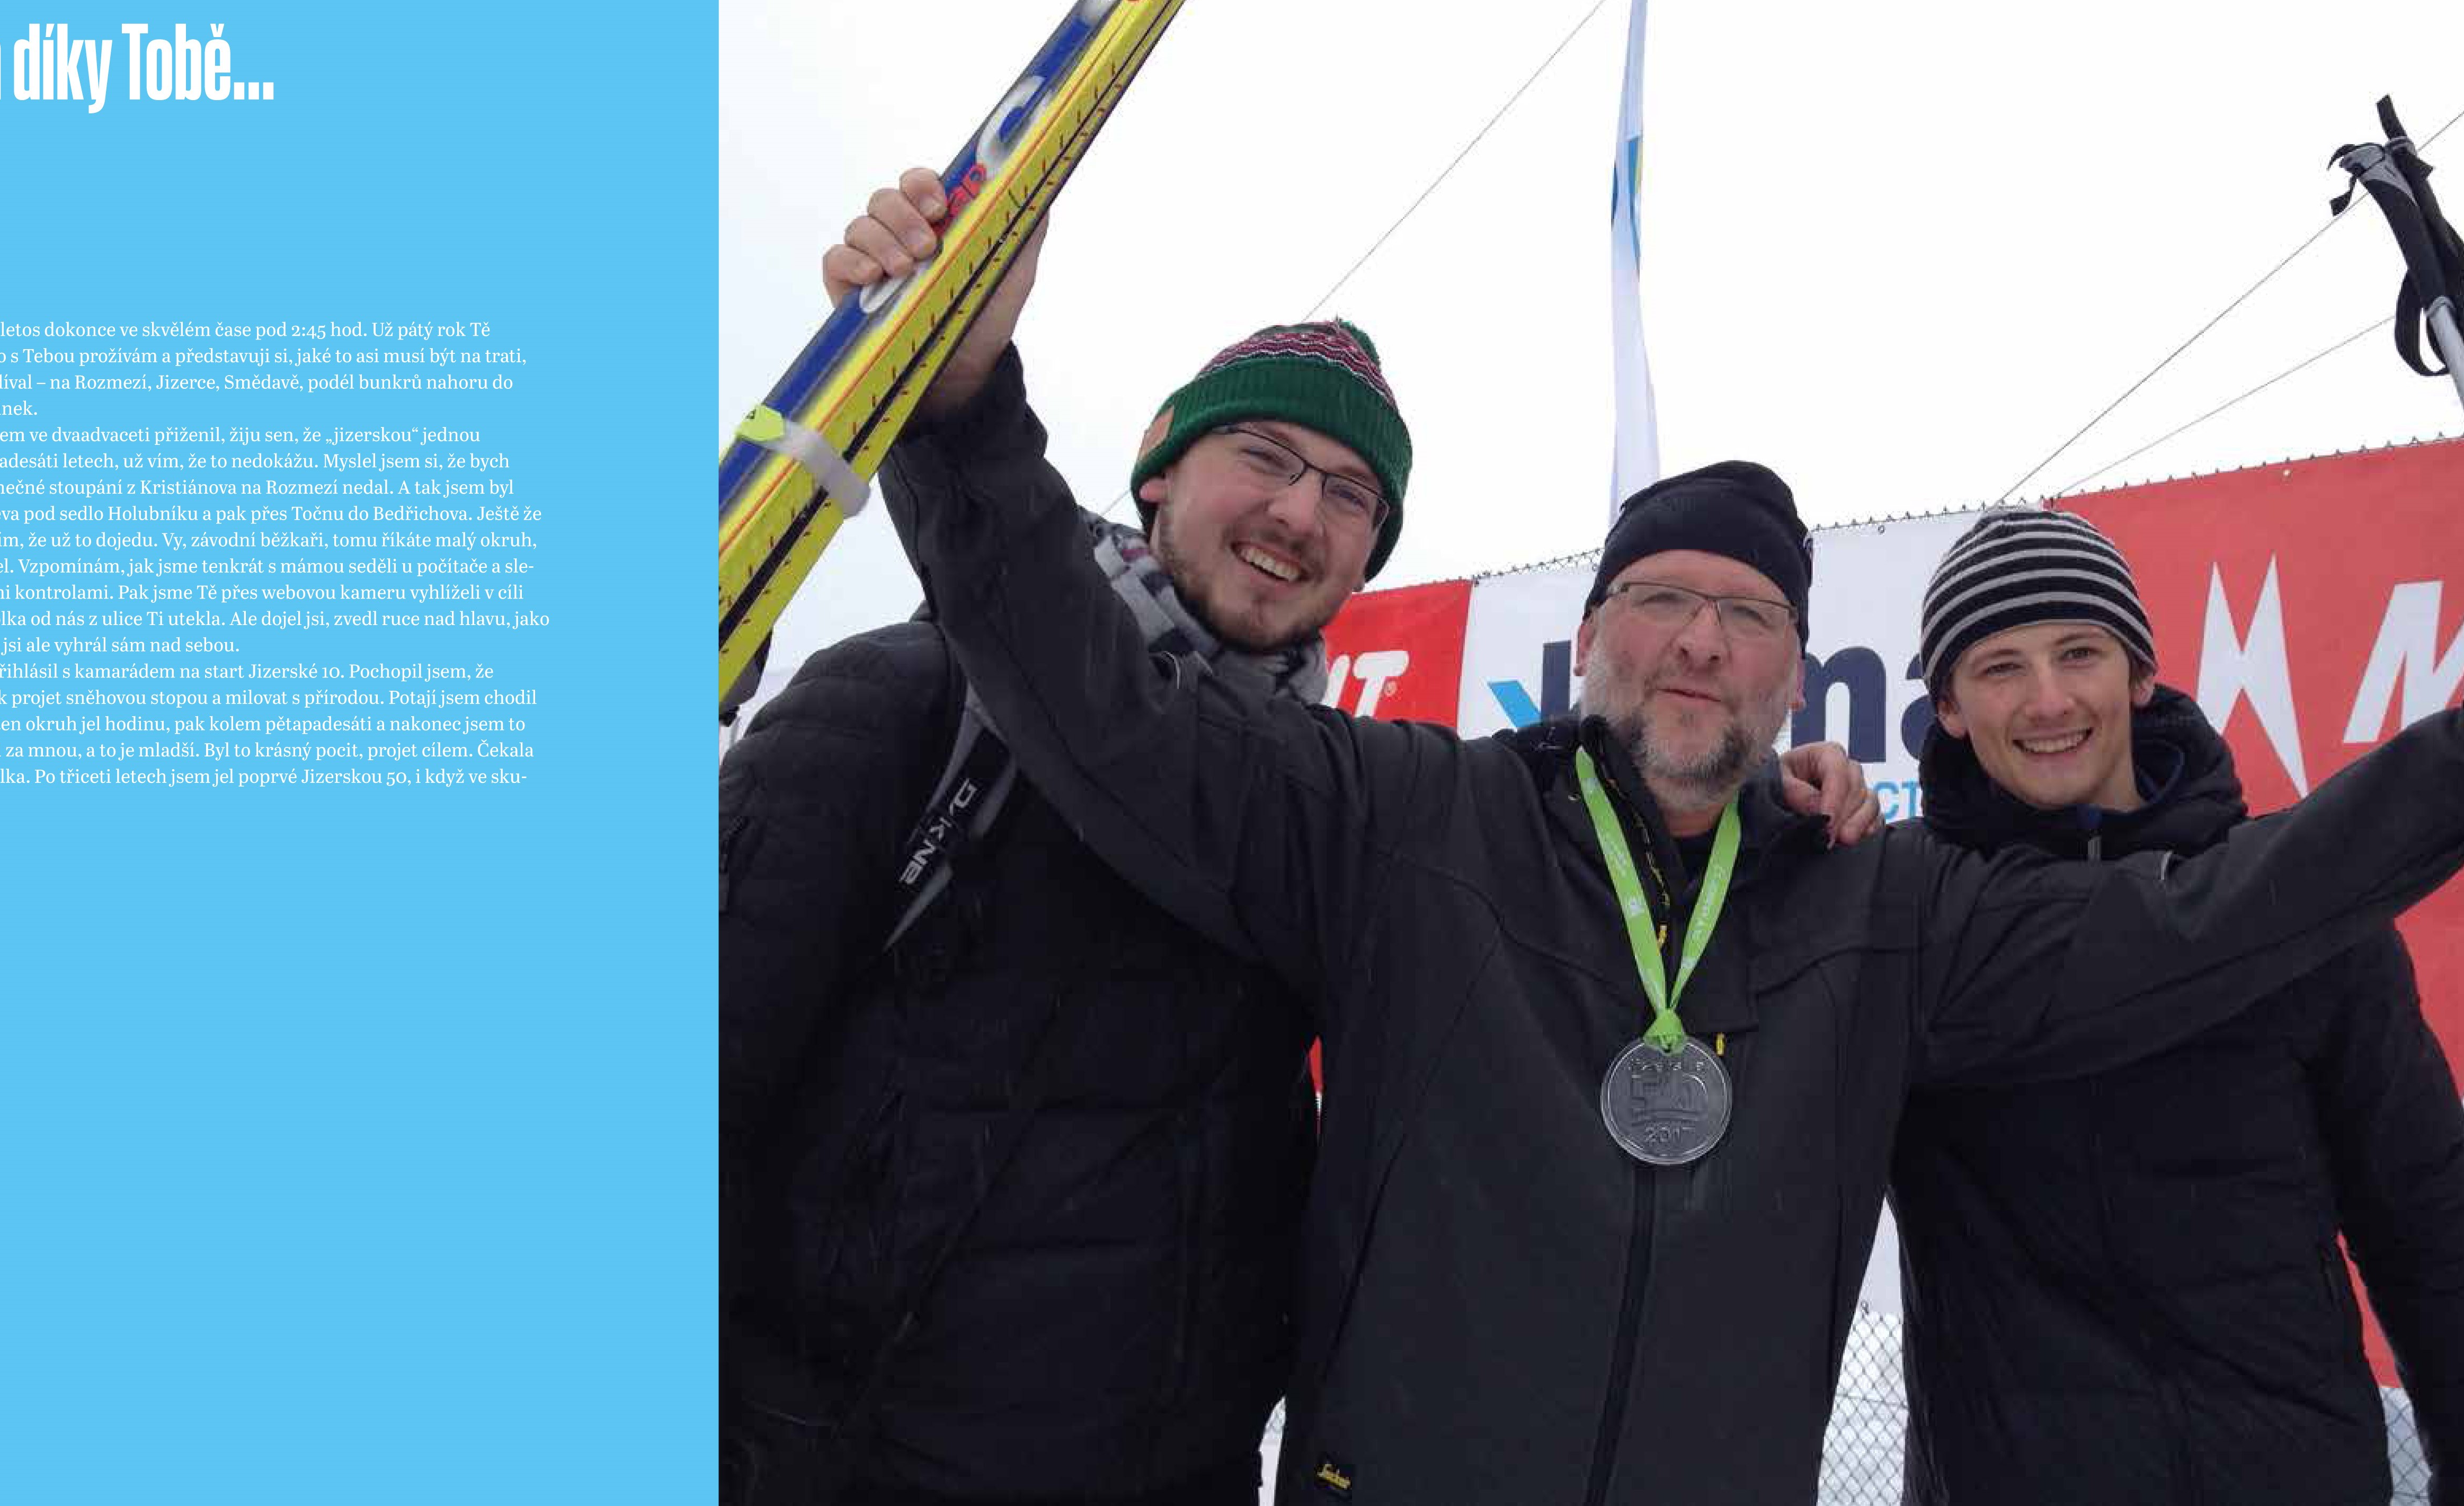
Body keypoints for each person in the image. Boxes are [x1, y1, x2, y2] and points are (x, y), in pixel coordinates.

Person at [846, 174, 2464, 1504]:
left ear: (1798, 671)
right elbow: (1110, 717)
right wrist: (961, 417)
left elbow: (2208, 920)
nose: (1700, 642)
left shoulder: (1888, 912)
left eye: (1746, 615)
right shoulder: (1401, 817)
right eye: (1662, 600)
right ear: (1590, 638)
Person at [718, 172, 1884, 1506]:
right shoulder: (911, 707)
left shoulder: (1349, 809)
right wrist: (958, 403)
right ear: (1159, 466)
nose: (1298, 515)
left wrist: (1763, 801)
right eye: (1264, 458)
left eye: (1348, 494)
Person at [1891, 509, 2464, 1505]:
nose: (2048, 699)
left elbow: (2427, 1239)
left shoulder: (2311, 922)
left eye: (2079, 652)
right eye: (1999, 668)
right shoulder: (1907, 922)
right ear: (1946, 706)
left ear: (2139, 673)